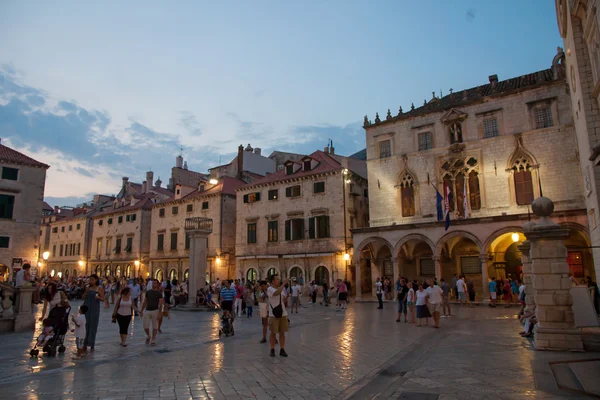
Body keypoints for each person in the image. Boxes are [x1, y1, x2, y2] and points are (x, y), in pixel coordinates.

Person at [268, 275, 289, 357]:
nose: (279, 280)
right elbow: (276, 293)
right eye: (277, 279)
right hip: (273, 314)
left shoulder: (281, 289)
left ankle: (282, 349)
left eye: (279, 279)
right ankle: (272, 349)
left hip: (282, 313)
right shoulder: (270, 289)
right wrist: (284, 283)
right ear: (273, 281)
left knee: (282, 332)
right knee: (273, 332)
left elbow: (284, 299)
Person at [82, 274, 104, 352]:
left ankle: (91, 343)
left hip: (94, 308)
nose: (90, 281)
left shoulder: (99, 288)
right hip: (87, 307)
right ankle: (84, 343)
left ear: (96, 280)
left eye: (92, 279)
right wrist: (86, 292)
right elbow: (83, 297)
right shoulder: (88, 288)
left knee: (93, 325)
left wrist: (99, 297)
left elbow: (103, 299)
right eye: (90, 279)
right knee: (86, 325)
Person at [140, 279, 163, 346]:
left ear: (157, 284)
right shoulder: (148, 292)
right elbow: (145, 301)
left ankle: (153, 339)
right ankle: (148, 336)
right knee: (145, 326)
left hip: (155, 310)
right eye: (153, 283)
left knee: (155, 327)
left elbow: (160, 304)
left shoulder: (159, 293)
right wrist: (141, 310)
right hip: (147, 310)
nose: (153, 285)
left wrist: (160, 313)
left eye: (155, 283)